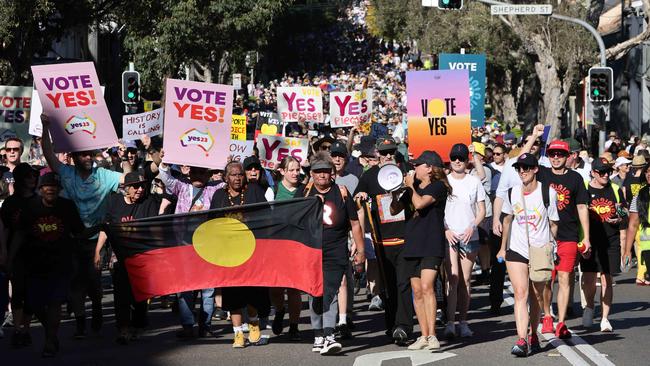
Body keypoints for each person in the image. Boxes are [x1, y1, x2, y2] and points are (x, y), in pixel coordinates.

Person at [40, 113, 133, 338]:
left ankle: (98, 306)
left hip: (97, 239)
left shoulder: (104, 175)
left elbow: (130, 180)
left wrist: (124, 157)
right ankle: (81, 321)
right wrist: (46, 128)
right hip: (72, 239)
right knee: (75, 283)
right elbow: (49, 156)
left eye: (90, 154)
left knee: (94, 283)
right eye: (82, 154)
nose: (88, 157)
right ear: (73, 157)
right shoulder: (67, 173)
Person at [10, 172, 85, 357]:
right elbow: (19, 234)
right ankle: (51, 332)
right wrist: (10, 258)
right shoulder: (30, 207)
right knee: (35, 305)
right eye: (47, 186)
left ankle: (50, 341)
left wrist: (101, 231)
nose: (50, 189)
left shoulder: (67, 207)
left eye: (55, 187)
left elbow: (79, 232)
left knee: (54, 303)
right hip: (34, 263)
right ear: (41, 189)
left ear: (59, 190)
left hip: (61, 263)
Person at [497, 153, 559, 357]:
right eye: (519, 168)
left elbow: (553, 224)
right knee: (521, 293)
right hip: (517, 249)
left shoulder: (547, 193)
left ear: (535, 169)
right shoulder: (513, 192)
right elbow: (507, 221)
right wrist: (502, 247)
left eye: (526, 167)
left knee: (536, 296)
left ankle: (533, 334)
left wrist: (551, 246)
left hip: (540, 250)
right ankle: (522, 339)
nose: (522, 171)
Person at [354, 136, 414, 345]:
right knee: (388, 286)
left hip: (404, 238)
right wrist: (360, 197)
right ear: (378, 153)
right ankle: (392, 325)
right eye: (385, 152)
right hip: (381, 241)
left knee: (404, 284)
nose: (388, 156)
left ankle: (404, 327)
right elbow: (356, 204)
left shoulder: (405, 173)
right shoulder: (369, 177)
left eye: (392, 152)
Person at [304, 152, 364, 355]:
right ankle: (318, 334)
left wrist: (361, 250)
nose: (322, 175)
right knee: (315, 293)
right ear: (311, 174)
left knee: (330, 291)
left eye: (326, 171)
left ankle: (329, 334)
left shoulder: (342, 192)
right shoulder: (305, 194)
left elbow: (355, 224)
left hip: (336, 250)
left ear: (332, 173)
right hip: (311, 252)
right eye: (318, 171)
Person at [158, 159, 223, 339]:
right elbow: (165, 177)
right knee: (185, 288)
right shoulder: (181, 186)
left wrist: (226, 163)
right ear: (189, 172)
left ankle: (206, 325)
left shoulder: (214, 188)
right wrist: (163, 162)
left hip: (207, 245)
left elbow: (231, 180)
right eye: (195, 172)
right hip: (184, 245)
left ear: (208, 175)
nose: (198, 176)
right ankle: (187, 325)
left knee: (208, 289)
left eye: (202, 172)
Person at [390, 151, 448, 350]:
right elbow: (393, 210)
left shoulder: (438, 187)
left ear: (430, 168)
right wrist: (395, 190)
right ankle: (423, 335)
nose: (415, 169)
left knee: (427, 287)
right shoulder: (411, 188)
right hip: (413, 244)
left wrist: (409, 187)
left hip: (431, 243)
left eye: (418, 165)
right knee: (416, 291)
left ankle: (432, 335)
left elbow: (421, 204)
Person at [94, 172, 160, 344]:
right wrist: (97, 250)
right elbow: (106, 227)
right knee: (121, 294)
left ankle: (137, 324)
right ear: (126, 188)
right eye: (135, 186)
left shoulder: (149, 202)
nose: (139, 190)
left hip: (141, 255)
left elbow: (154, 229)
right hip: (120, 256)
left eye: (142, 186)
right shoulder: (114, 202)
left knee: (139, 295)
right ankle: (123, 329)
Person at [534, 140, 590, 339]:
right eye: (552, 154)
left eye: (560, 154)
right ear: (548, 156)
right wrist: (534, 137)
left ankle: (561, 322)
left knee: (565, 278)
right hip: (544, 236)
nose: (556, 158)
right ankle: (547, 315)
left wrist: (587, 238)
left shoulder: (575, 178)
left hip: (568, 236)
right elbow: (516, 162)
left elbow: (582, 207)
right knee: (546, 280)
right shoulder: (541, 174)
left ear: (568, 157)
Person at [210, 161, 269, 348]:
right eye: (233, 175)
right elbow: (211, 222)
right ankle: (237, 335)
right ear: (226, 178)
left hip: (252, 251)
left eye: (240, 174)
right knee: (233, 294)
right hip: (229, 252)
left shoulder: (253, 191)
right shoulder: (219, 195)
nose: (237, 178)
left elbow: (266, 216)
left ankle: (253, 326)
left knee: (252, 291)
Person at [443, 143, 486, 339]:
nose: (458, 161)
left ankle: (463, 322)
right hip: (450, 235)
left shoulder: (474, 181)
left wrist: (473, 226)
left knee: (466, 280)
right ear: (450, 160)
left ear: (467, 160)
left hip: (470, 235)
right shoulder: (444, 181)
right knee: (452, 279)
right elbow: (438, 211)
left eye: (461, 158)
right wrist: (446, 230)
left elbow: (482, 210)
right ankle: (450, 322)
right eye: (454, 158)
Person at [581, 158, 626, 333]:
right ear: (593, 172)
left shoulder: (614, 188)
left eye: (607, 172)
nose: (606, 175)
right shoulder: (585, 187)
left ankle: (605, 318)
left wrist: (619, 217)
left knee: (607, 278)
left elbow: (623, 210)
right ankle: (590, 307)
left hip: (611, 239)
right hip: (590, 239)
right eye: (602, 172)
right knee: (589, 279)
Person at [265, 157, 305, 341]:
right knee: (275, 288)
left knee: (294, 288)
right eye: (291, 170)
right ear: (282, 171)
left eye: (298, 169)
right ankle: (280, 311)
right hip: (277, 246)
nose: (296, 173)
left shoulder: (305, 190)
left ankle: (294, 326)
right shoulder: (272, 191)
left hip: (297, 244)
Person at [0, 163, 39, 347]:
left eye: (34, 176)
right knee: (17, 292)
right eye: (28, 176)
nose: (32, 179)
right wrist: (4, 251)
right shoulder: (10, 203)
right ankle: (17, 329)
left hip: (36, 253)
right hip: (16, 254)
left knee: (32, 294)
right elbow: (5, 229)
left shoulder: (39, 201)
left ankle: (26, 328)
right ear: (20, 179)